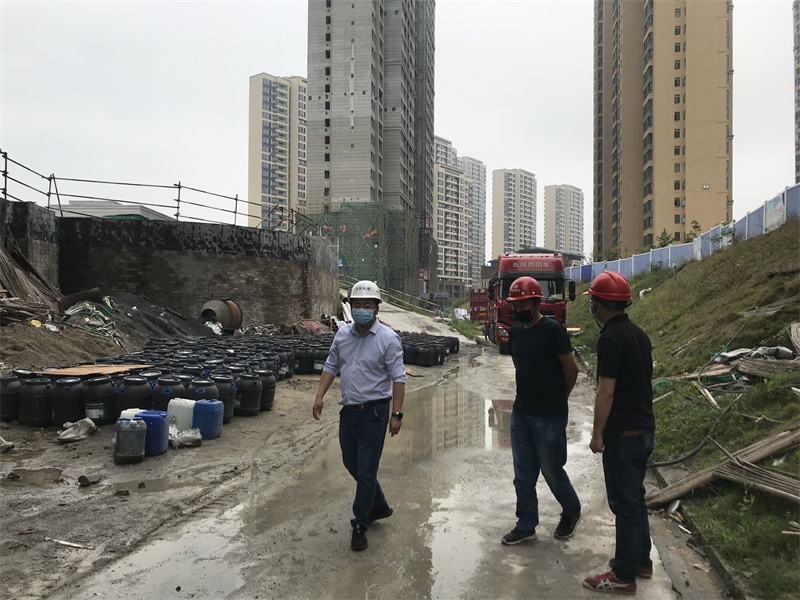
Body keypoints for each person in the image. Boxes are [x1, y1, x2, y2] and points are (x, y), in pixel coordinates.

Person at [312, 280, 406, 552]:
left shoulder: (388, 339)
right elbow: (331, 365)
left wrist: (397, 414)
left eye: (368, 305)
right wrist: (319, 395)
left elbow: (399, 378)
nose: (362, 309)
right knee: (351, 463)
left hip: (375, 412)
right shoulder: (342, 335)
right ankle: (379, 505)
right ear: (350, 307)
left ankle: (360, 524)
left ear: (377, 308)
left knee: (366, 470)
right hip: (349, 411)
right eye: (357, 305)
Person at [582, 271, 655, 595]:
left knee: (624, 505)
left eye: (593, 302)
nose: (592, 307)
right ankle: (641, 560)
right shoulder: (639, 335)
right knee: (635, 497)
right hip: (644, 429)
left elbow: (606, 392)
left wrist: (597, 434)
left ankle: (623, 576)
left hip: (623, 434)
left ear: (599, 305)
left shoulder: (610, 339)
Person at [501, 276, 582, 546]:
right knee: (523, 475)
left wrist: (559, 399)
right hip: (521, 414)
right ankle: (526, 524)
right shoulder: (515, 332)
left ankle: (571, 510)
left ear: (536, 303)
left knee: (551, 470)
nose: (518, 310)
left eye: (523, 305)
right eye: (515, 305)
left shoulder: (552, 331)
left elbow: (571, 369)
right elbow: (519, 364)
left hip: (550, 416)